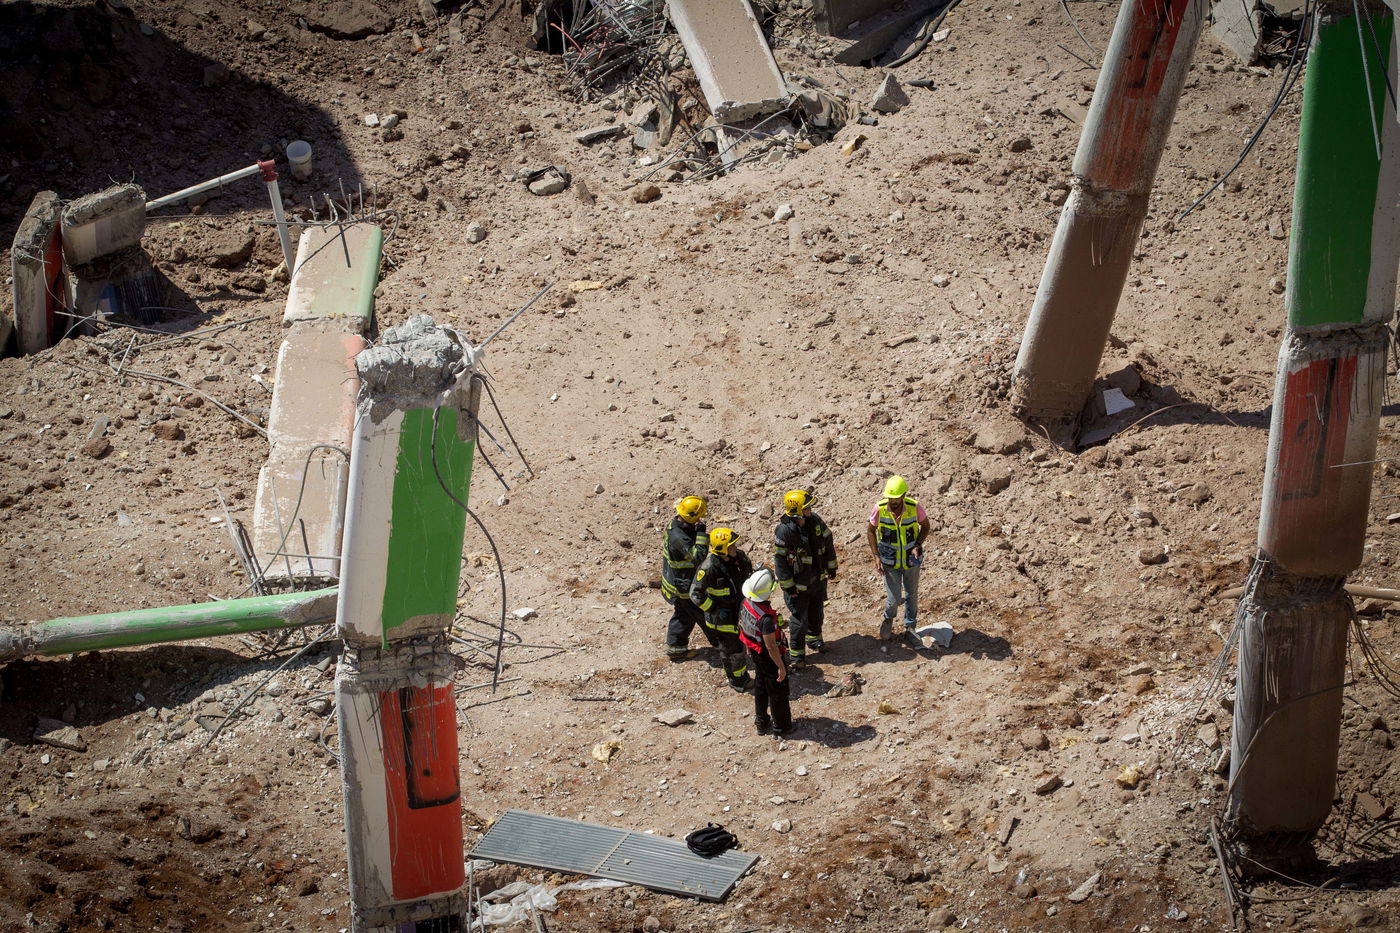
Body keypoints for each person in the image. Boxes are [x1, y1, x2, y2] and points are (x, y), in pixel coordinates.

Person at [773, 489, 838, 665]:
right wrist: (788, 586)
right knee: (799, 621)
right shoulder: (784, 531)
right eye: (806, 507)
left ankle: (814, 639)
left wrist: (831, 566)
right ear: (797, 510)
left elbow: (828, 541)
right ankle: (797, 656)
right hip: (798, 587)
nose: (810, 509)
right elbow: (779, 561)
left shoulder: (814, 521)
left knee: (817, 613)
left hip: (817, 580)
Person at [689, 527, 754, 692]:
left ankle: (741, 674)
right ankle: (738, 680)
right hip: (721, 618)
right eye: (731, 546)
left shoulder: (739, 557)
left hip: (739, 610)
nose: (735, 547)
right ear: (721, 549)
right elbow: (695, 594)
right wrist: (713, 609)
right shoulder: (708, 568)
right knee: (731, 650)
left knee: (740, 644)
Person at [866, 475, 930, 643]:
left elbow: (926, 526)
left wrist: (918, 544)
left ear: (903, 495)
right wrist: (876, 556)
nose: (892, 502)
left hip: (911, 560)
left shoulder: (914, 507)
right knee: (894, 598)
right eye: (890, 498)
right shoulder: (879, 508)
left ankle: (910, 626)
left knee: (912, 594)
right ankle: (888, 619)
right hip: (890, 561)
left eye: (895, 498)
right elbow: (871, 531)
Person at [738, 568, 792, 737]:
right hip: (768, 657)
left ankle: (761, 722)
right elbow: (771, 646)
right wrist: (781, 667)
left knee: (761, 686)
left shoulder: (746, 603)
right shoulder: (766, 619)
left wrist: (748, 645)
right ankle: (781, 727)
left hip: (755, 652)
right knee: (778, 692)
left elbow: (744, 625)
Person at [661, 495, 713, 661]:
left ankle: (676, 648)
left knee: (684, 615)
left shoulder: (677, 525)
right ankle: (722, 642)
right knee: (702, 613)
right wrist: (701, 535)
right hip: (683, 584)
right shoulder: (679, 536)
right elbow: (697, 556)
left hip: (679, 581)